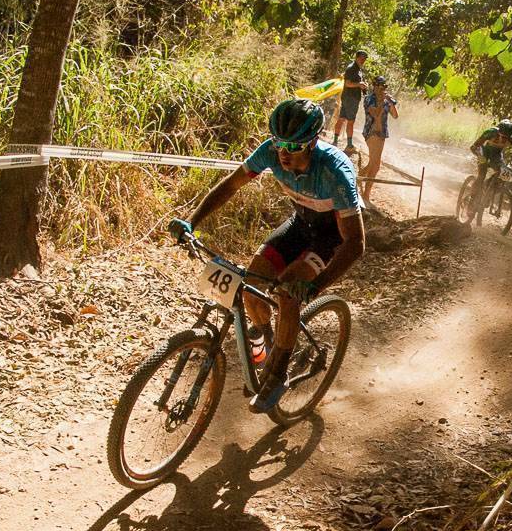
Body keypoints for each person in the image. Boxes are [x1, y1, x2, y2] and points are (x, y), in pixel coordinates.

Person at [168, 98, 366, 414]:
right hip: (301, 224)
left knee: (289, 290)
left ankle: (278, 372)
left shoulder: (335, 172)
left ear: (313, 142)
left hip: (331, 235)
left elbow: (355, 244)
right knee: (251, 282)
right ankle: (272, 340)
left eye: (293, 145)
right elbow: (230, 185)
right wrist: (192, 222)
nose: (283, 152)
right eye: (278, 142)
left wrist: (315, 287)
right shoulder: (270, 152)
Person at [360, 76, 398, 201]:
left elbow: (395, 115)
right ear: (375, 86)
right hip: (371, 132)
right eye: (380, 86)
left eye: (384, 87)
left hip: (381, 134)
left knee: (373, 163)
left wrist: (390, 102)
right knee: (375, 165)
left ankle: (360, 175)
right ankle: (366, 194)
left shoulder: (386, 100)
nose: (382, 89)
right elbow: (375, 114)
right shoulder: (368, 99)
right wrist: (382, 101)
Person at [469, 118, 512, 187]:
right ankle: (473, 195)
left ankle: (489, 186)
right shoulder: (490, 132)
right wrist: (479, 156)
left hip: (496, 155)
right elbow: (473, 147)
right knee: (482, 175)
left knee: (505, 174)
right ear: (498, 131)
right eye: (501, 135)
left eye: (506, 137)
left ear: (510, 136)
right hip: (484, 152)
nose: (502, 138)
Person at [332, 49, 368, 151]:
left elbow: (355, 82)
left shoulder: (358, 69)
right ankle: (349, 145)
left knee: (342, 118)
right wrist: (359, 84)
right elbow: (347, 83)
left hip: (351, 98)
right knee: (350, 121)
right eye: (361, 58)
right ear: (356, 57)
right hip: (350, 98)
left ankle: (335, 141)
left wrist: (362, 85)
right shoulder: (352, 68)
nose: (363, 60)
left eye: (364, 59)